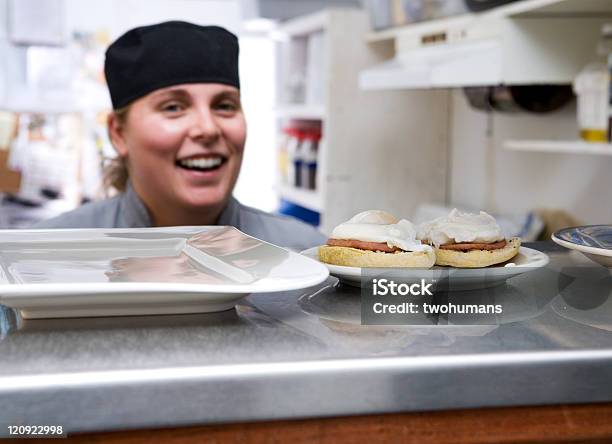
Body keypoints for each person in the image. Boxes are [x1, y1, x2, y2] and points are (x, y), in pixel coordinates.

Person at [34, 21, 325, 251]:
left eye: (224, 106)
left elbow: (373, 313)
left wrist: (368, 307)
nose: (208, 129)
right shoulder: (42, 254)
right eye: (173, 107)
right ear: (119, 134)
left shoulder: (309, 251)